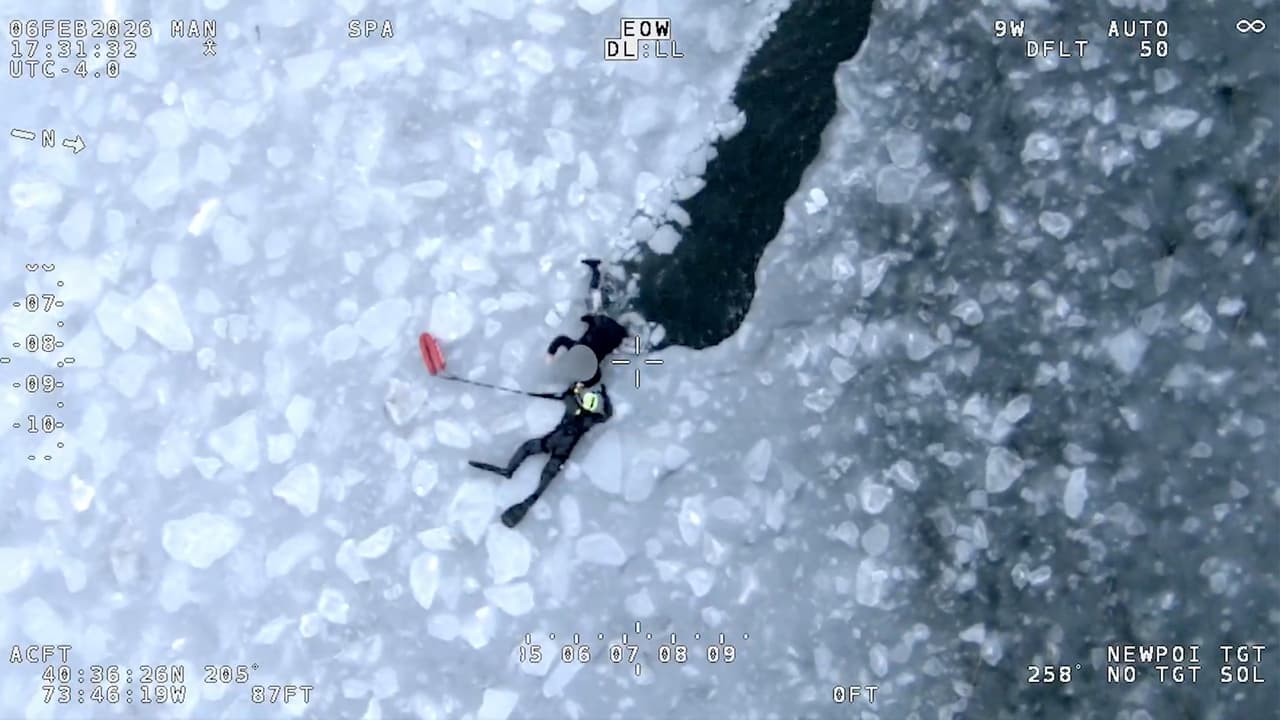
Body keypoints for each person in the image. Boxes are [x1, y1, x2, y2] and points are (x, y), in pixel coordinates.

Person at [469, 381, 614, 527]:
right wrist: (603, 394)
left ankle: (509, 473)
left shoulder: (574, 407)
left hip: (550, 443)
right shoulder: (589, 419)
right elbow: (607, 414)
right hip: (559, 452)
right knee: (541, 480)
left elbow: (571, 394)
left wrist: (577, 388)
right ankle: (518, 489)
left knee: (528, 450)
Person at [547, 259, 628, 386]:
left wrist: (581, 384)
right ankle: (598, 270)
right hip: (604, 326)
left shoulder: (589, 368)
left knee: (600, 305)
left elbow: (596, 377)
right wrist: (550, 354)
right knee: (594, 302)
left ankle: (600, 273)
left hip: (613, 332)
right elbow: (561, 340)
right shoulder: (575, 349)